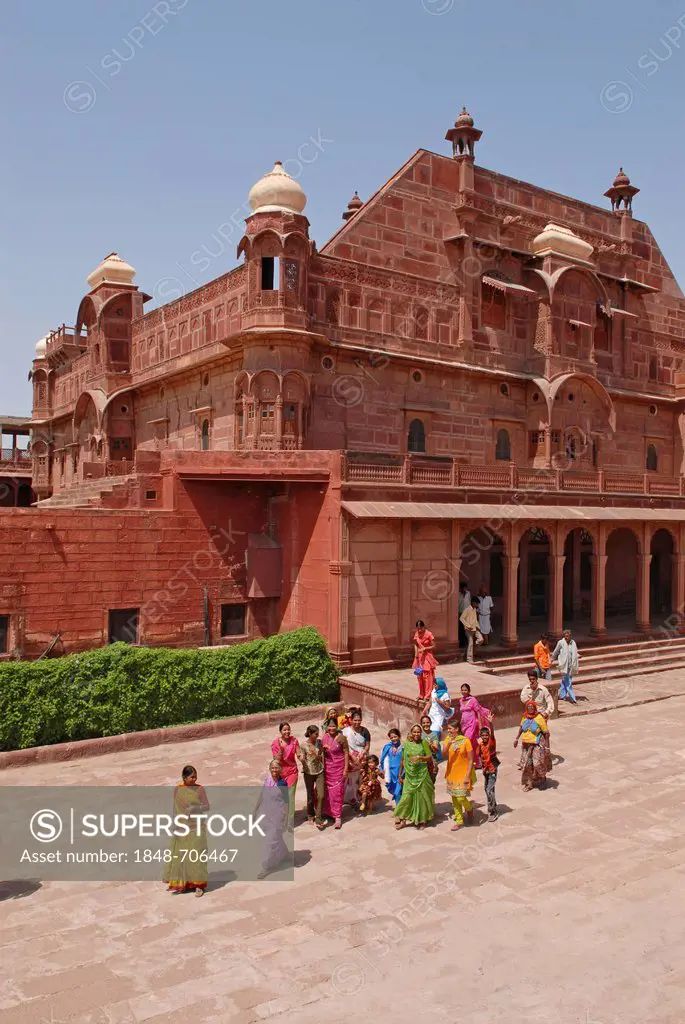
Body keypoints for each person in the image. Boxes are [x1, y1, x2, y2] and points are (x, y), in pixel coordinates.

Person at [162, 765, 210, 897]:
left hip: (196, 827)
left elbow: (207, 806)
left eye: (195, 776)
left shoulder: (199, 789)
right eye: (191, 777)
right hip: (182, 827)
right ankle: (185, 883)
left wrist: (195, 808)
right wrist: (174, 822)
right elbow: (175, 807)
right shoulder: (178, 789)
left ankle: (199, 886)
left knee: (197, 857)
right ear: (184, 777)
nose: (194, 779)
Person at [393, 724, 435, 830]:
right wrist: (399, 774)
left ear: (421, 733)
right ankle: (403, 820)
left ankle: (422, 820)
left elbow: (429, 757)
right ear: (411, 733)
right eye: (414, 732)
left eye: (418, 732)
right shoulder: (406, 744)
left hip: (422, 774)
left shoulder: (424, 743)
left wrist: (420, 757)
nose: (416, 734)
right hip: (410, 775)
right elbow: (402, 759)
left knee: (422, 797)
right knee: (406, 797)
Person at [256, 759, 291, 879]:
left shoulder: (282, 784)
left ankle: (266, 866)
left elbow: (286, 802)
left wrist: (286, 819)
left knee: (269, 842)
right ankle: (285, 854)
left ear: (280, 769)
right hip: (266, 813)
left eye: (277, 768)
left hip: (277, 815)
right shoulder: (268, 780)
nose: (274, 770)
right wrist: (255, 811)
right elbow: (261, 795)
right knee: (275, 837)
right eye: (272, 767)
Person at [442, 717, 475, 831]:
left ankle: (469, 810)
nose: (449, 731)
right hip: (452, 772)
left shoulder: (466, 741)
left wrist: (467, 775)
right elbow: (443, 753)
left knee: (461, 797)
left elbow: (471, 759)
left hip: (463, 773)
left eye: (451, 729)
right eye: (448, 729)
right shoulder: (448, 739)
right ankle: (459, 821)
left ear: (457, 729)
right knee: (455, 799)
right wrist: (448, 743)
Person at [519, 669, 554, 771]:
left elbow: (550, 703)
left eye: (533, 679)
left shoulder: (543, 690)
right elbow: (523, 698)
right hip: (530, 717)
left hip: (540, 717)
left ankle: (545, 758)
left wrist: (546, 713)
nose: (532, 681)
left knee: (543, 737)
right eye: (530, 679)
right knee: (528, 737)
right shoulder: (526, 688)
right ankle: (525, 761)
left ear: (537, 679)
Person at [514, 700, 551, 791]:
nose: (530, 708)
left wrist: (547, 747)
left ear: (535, 707)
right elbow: (521, 728)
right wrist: (517, 738)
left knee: (537, 763)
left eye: (532, 706)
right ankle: (529, 783)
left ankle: (542, 779)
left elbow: (546, 733)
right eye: (528, 707)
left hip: (537, 744)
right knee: (527, 764)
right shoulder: (524, 717)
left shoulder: (539, 718)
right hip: (526, 744)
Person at [271, 722, 300, 828]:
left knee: (290, 797)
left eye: (288, 729)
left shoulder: (294, 741)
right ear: (280, 731)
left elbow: (299, 753)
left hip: (292, 772)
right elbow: (276, 760)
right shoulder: (275, 743)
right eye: (284, 730)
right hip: (281, 774)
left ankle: (289, 822)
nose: (287, 732)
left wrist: (304, 758)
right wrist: (282, 750)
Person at [297, 725, 326, 830]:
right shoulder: (303, 745)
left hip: (319, 771)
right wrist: (302, 759)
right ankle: (310, 814)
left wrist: (317, 752)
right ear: (310, 734)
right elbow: (301, 757)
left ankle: (318, 818)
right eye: (315, 734)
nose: (317, 735)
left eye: (318, 733)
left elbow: (321, 757)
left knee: (321, 795)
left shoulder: (319, 743)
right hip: (308, 772)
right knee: (310, 795)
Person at [322, 717, 349, 829]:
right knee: (328, 792)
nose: (331, 728)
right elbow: (322, 753)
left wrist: (346, 769)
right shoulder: (325, 737)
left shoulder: (342, 738)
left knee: (337, 792)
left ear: (337, 727)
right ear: (327, 727)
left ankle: (337, 816)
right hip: (328, 768)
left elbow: (346, 753)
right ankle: (328, 812)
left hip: (339, 767)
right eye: (330, 726)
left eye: (334, 726)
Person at [458, 683, 493, 767]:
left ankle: (467, 761)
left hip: (472, 723)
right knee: (473, 743)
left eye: (465, 690)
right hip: (464, 724)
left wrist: (480, 726)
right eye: (462, 690)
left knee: (467, 740)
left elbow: (478, 712)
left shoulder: (473, 700)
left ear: (469, 691)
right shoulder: (460, 700)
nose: (464, 691)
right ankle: (476, 762)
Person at [343, 710, 370, 807]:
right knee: (350, 780)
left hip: (362, 759)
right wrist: (351, 756)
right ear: (350, 720)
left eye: (359, 720)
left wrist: (363, 752)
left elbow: (367, 745)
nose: (357, 722)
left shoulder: (365, 731)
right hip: (350, 759)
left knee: (361, 779)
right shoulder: (345, 731)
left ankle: (360, 798)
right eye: (355, 720)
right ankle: (350, 798)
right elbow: (344, 746)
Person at [477, 725, 500, 822]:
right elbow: (479, 754)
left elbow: (493, 734)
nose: (485, 737)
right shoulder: (481, 745)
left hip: (492, 769)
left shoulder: (491, 743)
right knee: (487, 790)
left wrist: (491, 723)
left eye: (486, 735)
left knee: (489, 790)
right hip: (485, 770)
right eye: (483, 735)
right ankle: (493, 804)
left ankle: (492, 811)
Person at [412, 620, 439, 701]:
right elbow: (416, 644)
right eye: (418, 628)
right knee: (419, 676)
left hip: (427, 656)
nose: (419, 630)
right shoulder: (416, 633)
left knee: (427, 676)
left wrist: (425, 648)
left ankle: (427, 695)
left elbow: (434, 646)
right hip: (419, 657)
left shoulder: (429, 634)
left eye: (421, 628)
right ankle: (421, 694)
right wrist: (416, 653)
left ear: (424, 626)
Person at [552, 628, 579, 704]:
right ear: (564, 636)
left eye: (568, 636)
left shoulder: (573, 643)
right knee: (568, 682)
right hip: (564, 665)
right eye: (566, 636)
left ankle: (562, 695)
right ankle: (573, 698)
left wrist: (578, 655)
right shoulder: (560, 642)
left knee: (565, 680)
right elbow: (556, 651)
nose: (567, 637)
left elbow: (575, 652)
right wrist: (552, 659)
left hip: (571, 665)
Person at [380, 728, 404, 806]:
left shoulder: (404, 747)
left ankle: (399, 809)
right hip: (391, 773)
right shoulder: (388, 747)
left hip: (401, 772)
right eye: (391, 738)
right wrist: (382, 769)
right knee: (395, 790)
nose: (393, 739)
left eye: (395, 737)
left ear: (399, 736)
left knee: (399, 790)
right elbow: (383, 759)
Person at [460, 598, 483, 663]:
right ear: (473, 603)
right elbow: (461, 618)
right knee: (470, 643)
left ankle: (472, 650)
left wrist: (478, 627)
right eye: (477, 603)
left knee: (481, 640)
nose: (477, 605)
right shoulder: (467, 609)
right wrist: (468, 625)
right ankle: (469, 659)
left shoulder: (474, 609)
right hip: (468, 629)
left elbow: (475, 620)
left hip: (475, 628)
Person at [420, 714, 441, 781]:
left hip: (431, 761)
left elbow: (436, 749)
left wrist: (430, 744)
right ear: (421, 724)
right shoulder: (418, 733)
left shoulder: (433, 735)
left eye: (428, 722)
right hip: (420, 760)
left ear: (431, 723)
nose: (426, 724)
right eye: (424, 723)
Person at [458, 581, 471, 649]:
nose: (464, 589)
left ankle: (468, 642)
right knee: (461, 629)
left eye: (465, 588)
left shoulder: (468, 593)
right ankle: (462, 643)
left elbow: (469, 602)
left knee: (467, 628)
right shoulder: (458, 594)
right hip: (460, 613)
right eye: (463, 588)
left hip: (467, 614)